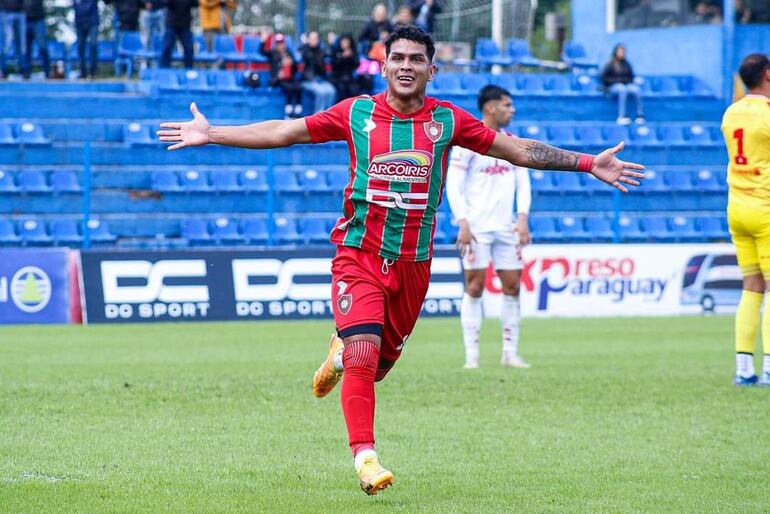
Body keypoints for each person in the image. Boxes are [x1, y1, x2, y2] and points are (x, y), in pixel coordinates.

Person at [157, 24, 644, 495]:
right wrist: (214, 133)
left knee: (378, 363)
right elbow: (285, 131)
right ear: (383, 64)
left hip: (413, 265)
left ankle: (340, 352)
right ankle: (365, 458)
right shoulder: (357, 113)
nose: (406, 66)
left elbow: (517, 149)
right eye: (398, 59)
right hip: (360, 255)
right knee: (366, 356)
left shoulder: (447, 121)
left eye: (416, 60)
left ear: (432, 70)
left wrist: (586, 162)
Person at [445, 85, 531, 370]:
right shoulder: (467, 145)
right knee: (475, 286)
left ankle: (510, 352)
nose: (512, 110)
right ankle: (472, 356)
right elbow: (453, 186)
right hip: (477, 228)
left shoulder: (513, 143)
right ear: (490, 108)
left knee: (513, 286)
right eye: (507, 105)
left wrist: (522, 218)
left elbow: (524, 183)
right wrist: (463, 222)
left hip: (506, 227)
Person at [720, 53, 770, 387]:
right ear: (767, 75)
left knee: (751, 286)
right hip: (766, 208)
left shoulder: (731, 112)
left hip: (737, 208)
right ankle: (768, 367)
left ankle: (743, 368)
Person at [600, 43, 645, 126]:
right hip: (613, 86)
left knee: (636, 89)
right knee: (622, 89)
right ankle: (622, 116)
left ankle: (640, 115)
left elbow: (631, 77)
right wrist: (616, 81)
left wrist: (627, 81)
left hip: (626, 84)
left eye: (623, 52)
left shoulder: (627, 64)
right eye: (620, 52)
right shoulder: (609, 64)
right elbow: (604, 77)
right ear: (615, 52)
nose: (622, 53)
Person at [300, 31, 337, 113]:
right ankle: (318, 115)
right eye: (311, 38)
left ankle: (328, 113)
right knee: (321, 92)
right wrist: (304, 45)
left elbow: (331, 56)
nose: (314, 40)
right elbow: (301, 61)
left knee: (331, 91)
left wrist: (332, 44)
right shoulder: (303, 50)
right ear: (308, 39)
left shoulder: (321, 51)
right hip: (307, 80)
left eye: (316, 38)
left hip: (321, 80)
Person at [269, 33, 302, 118]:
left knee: (298, 87)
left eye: (282, 43)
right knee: (289, 88)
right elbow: (262, 51)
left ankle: (298, 111)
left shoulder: (288, 52)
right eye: (278, 43)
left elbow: (295, 67)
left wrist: (292, 63)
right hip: (278, 79)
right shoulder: (273, 53)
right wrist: (263, 40)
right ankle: (288, 112)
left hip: (290, 78)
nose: (280, 45)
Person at [160, 0, 197, 69]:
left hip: (185, 25)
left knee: (189, 49)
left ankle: (189, 71)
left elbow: (195, 4)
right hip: (171, 25)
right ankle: (164, 71)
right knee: (167, 47)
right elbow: (164, 3)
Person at [22, 0, 49, 79]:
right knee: (26, 49)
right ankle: (26, 72)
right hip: (25, 19)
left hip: (38, 19)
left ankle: (47, 72)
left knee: (43, 47)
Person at [73, 0, 99, 79]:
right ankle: (83, 72)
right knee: (80, 47)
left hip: (92, 21)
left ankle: (92, 72)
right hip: (79, 22)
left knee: (93, 45)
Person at [330, 33, 359, 101]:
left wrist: (351, 57)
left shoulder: (353, 51)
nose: (345, 43)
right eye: (343, 41)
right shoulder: (335, 50)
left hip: (349, 77)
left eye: (347, 42)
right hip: (337, 77)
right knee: (342, 90)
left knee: (354, 90)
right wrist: (343, 57)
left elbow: (357, 64)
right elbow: (334, 65)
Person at [1, 0, 26, 77]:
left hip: (20, 12)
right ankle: (3, 69)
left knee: (21, 43)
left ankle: (23, 69)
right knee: (4, 43)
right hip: (4, 12)